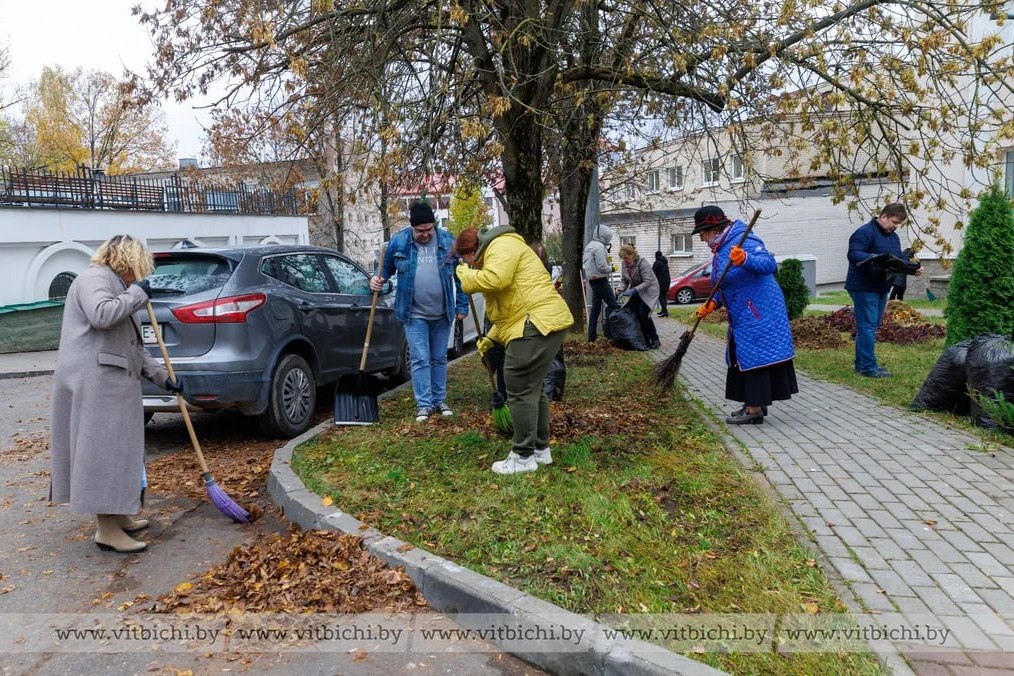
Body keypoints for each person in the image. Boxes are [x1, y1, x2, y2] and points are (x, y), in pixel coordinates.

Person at [50, 234, 182, 554]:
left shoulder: (117, 286)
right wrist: (138, 293)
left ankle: (118, 514)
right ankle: (106, 529)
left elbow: (132, 346)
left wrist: (163, 378)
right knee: (104, 454)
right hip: (97, 384)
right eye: (139, 267)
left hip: (110, 382)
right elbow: (103, 315)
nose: (140, 275)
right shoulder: (94, 279)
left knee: (119, 452)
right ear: (127, 260)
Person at [454, 226, 574, 474]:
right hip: (537, 320)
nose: (468, 263)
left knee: (517, 386)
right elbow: (510, 310)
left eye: (464, 257)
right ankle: (541, 450)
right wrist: (491, 337)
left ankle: (522, 456)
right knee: (534, 387)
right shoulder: (500, 248)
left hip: (535, 322)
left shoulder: (500, 246)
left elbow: (497, 280)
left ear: (471, 250)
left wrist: (467, 278)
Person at [693, 206, 798, 425]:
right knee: (742, 355)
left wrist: (746, 258)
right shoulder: (721, 249)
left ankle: (754, 410)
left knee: (753, 356)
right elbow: (727, 284)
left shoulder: (742, 239)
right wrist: (713, 303)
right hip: (744, 311)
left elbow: (768, 265)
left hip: (760, 311)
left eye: (702, 233)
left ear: (713, 229)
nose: (701, 238)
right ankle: (754, 403)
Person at [370, 201, 468, 421]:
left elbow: (460, 276)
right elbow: (385, 268)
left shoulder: (446, 240)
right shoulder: (399, 242)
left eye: (429, 229)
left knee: (439, 357)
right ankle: (424, 404)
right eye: (420, 231)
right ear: (412, 228)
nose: (425, 234)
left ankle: (439, 400)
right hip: (413, 314)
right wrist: (377, 280)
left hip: (442, 312)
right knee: (420, 358)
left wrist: (462, 305)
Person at [845, 204, 922, 377]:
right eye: (894, 222)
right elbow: (853, 254)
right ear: (884, 216)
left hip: (882, 287)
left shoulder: (893, 237)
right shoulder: (864, 232)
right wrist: (875, 258)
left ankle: (861, 365)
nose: (895, 226)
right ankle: (868, 368)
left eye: (899, 224)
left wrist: (911, 268)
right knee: (868, 327)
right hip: (863, 286)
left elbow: (898, 259)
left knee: (871, 326)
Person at [616, 244, 661, 349]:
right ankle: (643, 338)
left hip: (649, 291)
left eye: (627, 258)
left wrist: (633, 290)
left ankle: (654, 339)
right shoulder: (625, 264)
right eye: (623, 258)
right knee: (633, 312)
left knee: (643, 313)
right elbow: (624, 280)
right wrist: (620, 288)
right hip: (636, 290)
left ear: (632, 254)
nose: (625, 260)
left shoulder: (642, 263)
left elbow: (648, 281)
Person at [581, 225, 619, 342]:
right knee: (612, 305)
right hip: (601, 280)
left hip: (592, 280)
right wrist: (611, 268)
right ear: (604, 236)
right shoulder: (599, 247)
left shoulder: (589, 246)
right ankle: (609, 333)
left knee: (596, 309)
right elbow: (602, 266)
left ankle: (591, 336)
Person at [652, 251, 671, 317]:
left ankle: (665, 312)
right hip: (666, 282)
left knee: (661, 297)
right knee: (664, 297)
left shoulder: (657, 263)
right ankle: (663, 310)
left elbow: (652, 273)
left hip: (660, 283)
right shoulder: (665, 263)